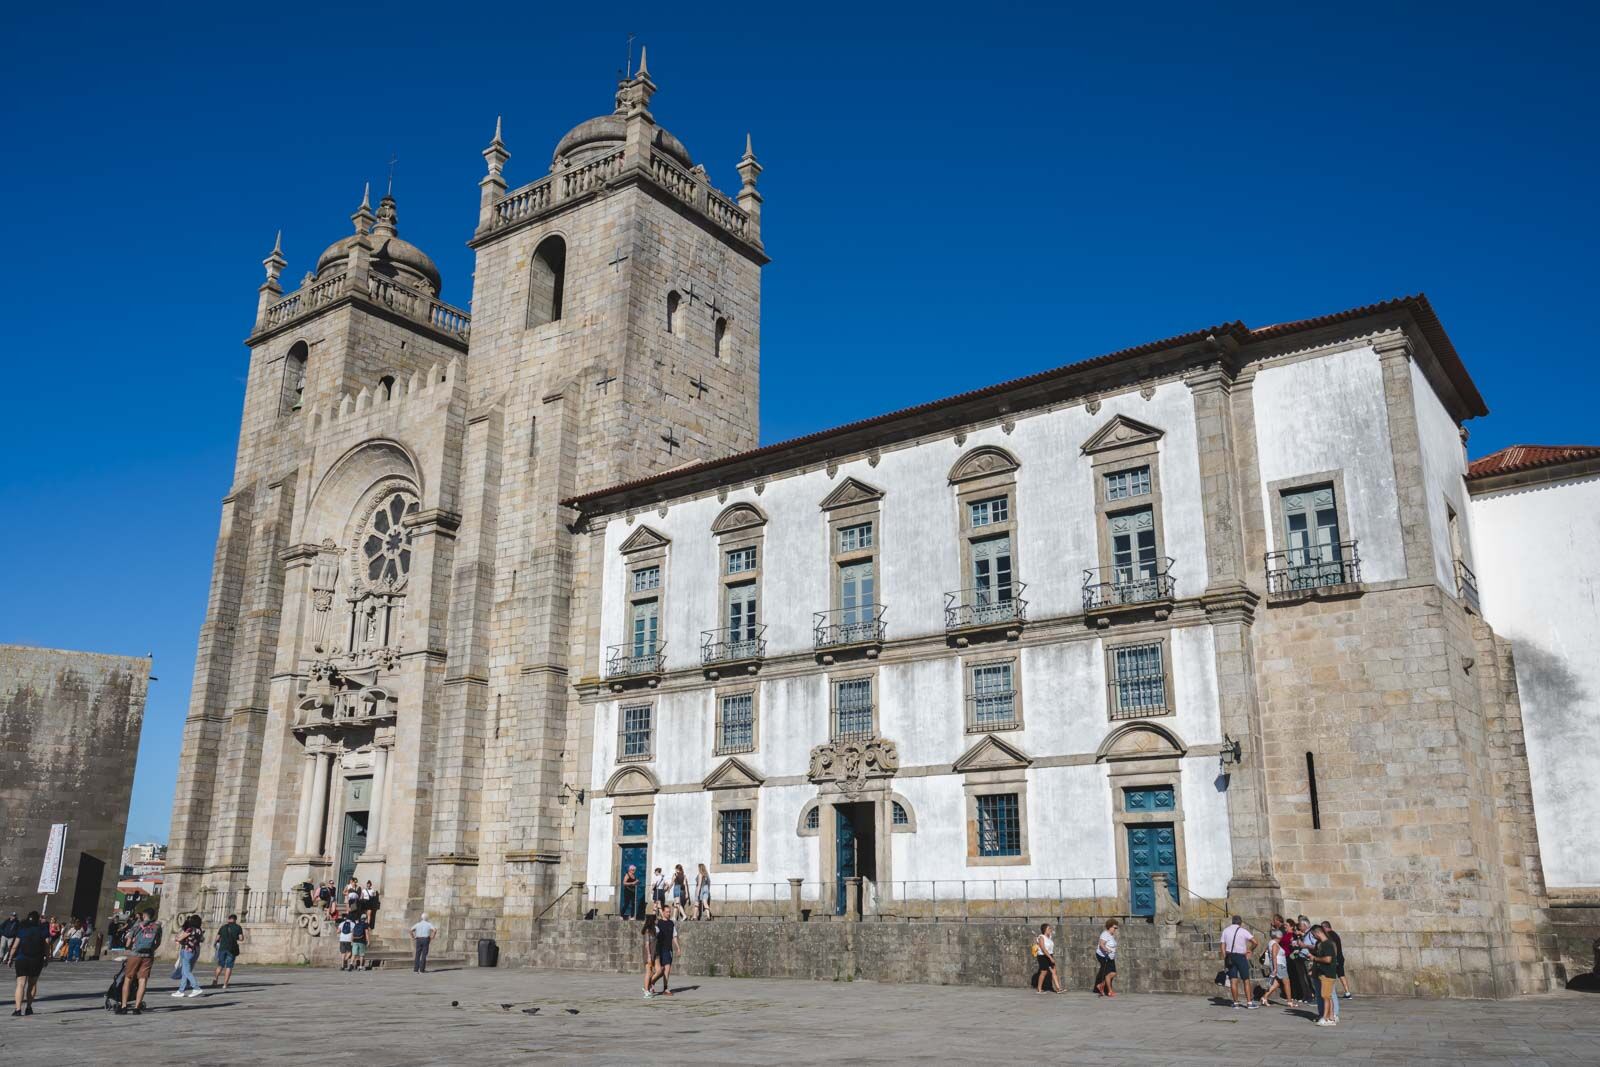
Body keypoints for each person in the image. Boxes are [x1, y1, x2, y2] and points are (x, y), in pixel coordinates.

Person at [117, 908, 162, 1014]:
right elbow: (158, 942)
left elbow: (128, 944)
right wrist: (151, 950)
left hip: (135, 954)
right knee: (143, 980)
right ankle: (137, 1007)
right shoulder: (157, 926)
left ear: (144, 915)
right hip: (148, 956)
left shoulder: (137, 925)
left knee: (128, 979)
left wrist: (131, 945)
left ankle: (124, 1006)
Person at [10, 912, 47, 1017]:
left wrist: (10, 958)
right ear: (38, 920)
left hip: (22, 959)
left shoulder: (22, 930)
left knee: (20, 984)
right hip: (36, 960)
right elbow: (47, 945)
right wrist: (47, 958)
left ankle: (17, 1010)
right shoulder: (42, 930)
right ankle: (29, 1008)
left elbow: (15, 946)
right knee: (32, 984)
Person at [1219, 914, 1257, 1009]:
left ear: (1232, 921)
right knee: (1246, 980)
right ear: (1240, 922)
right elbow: (1255, 942)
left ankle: (1235, 1003)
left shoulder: (1226, 930)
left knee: (1233, 980)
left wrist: (1225, 957)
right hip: (1241, 957)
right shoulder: (1243, 931)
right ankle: (1249, 1002)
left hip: (1230, 956)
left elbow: (1222, 945)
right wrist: (1250, 950)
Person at [1309, 927, 1338, 1026]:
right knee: (1327, 996)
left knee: (1325, 996)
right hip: (1324, 973)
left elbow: (1328, 959)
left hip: (1328, 973)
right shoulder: (1324, 944)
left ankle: (1325, 1018)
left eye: (1313, 934)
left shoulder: (1327, 944)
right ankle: (1331, 1017)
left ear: (1318, 933)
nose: (1313, 937)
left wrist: (1315, 958)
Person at [649, 906, 680, 997]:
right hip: (659, 949)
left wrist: (678, 948)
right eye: (667, 912)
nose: (668, 913)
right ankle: (651, 983)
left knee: (667, 969)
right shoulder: (658, 923)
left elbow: (674, 936)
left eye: (669, 912)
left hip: (668, 949)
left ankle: (665, 988)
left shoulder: (671, 923)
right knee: (660, 971)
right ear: (662, 912)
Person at [173, 915, 204, 998]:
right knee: (185, 971)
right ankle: (181, 990)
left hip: (187, 950)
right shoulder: (199, 930)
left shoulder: (190, 929)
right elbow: (202, 939)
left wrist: (177, 938)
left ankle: (196, 987)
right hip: (195, 950)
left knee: (186, 971)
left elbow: (180, 938)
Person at [213, 913, 244, 990]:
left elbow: (217, 938)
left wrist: (215, 943)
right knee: (229, 966)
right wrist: (235, 937)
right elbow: (241, 938)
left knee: (220, 965)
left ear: (228, 919)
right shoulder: (238, 927)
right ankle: (225, 984)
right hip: (232, 949)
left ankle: (216, 979)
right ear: (235, 920)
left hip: (222, 948)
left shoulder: (223, 927)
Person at [1322, 921, 1352, 998]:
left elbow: (1333, 946)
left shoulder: (1330, 935)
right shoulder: (1334, 934)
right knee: (1341, 974)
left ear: (1326, 927)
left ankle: (1331, 992)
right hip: (1339, 957)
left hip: (1336, 958)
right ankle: (1347, 992)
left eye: (1322, 928)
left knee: (1332, 975)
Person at [1031, 922, 1060, 994]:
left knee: (1054, 971)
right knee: (1043, 972)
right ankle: (1039, 989)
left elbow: (1050, 948)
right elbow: (1043, 948)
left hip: (1050, 955)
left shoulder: (1049, 937)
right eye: (1049, 928)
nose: (1050, 930)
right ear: (1045, 930)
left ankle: (1059, 989)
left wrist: (1051, 956)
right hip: (1042, 956)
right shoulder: (1041, 937)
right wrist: (1050, 958)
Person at [1094, 919, 1119, 997]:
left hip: (1110, 957)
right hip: (1104, 956)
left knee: (1113, 973)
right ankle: (1110, 991)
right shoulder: (1105, 934)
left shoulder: (1111, 935)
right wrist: (1107, 950)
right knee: (1108, 974)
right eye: (1114, 928)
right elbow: (1101, 944)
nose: (1115, 930)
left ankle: (1101, 985)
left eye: (1116, 928)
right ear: (1110, 926)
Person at [640, 904, 659, 999]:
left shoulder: (654, 930)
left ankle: (647, 987)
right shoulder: (648, 931)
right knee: (648, 972)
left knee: (654, 971)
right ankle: (646, 991)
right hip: (648, 954)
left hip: (653, 953)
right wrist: (648, 956)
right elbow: (647, 944)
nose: (657, 921)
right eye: (655, 919)